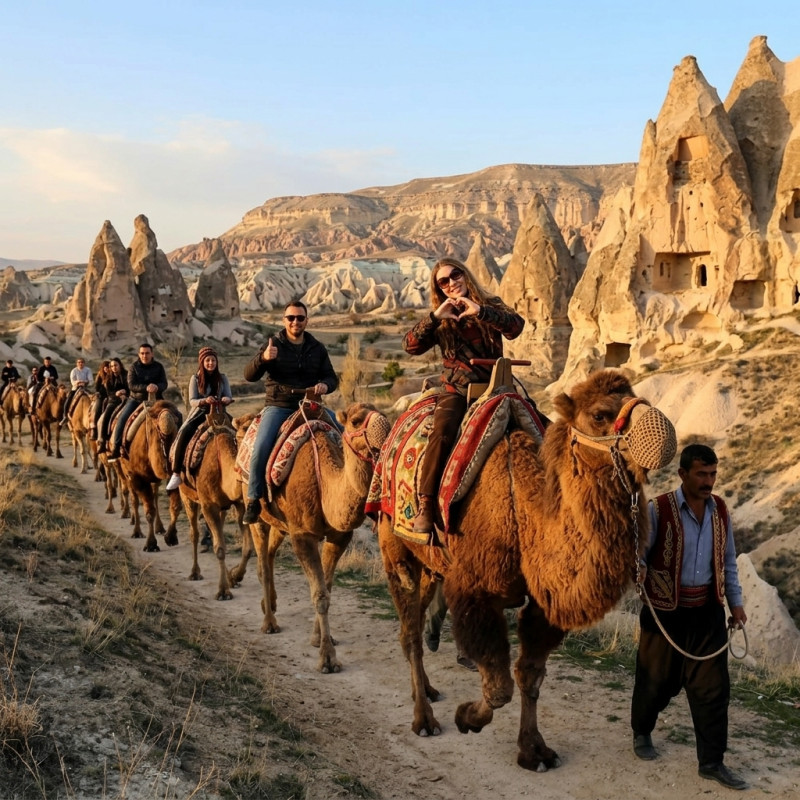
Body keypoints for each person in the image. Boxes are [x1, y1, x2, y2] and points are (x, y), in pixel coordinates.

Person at [631, 444, 748, 791]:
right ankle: (642, 731)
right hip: (665, 614)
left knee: (713, 690)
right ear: (683, 474)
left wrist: (736, 604)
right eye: (701, 474)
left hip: (708, 613)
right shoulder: (658, 509)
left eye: (712, 474)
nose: (708, 481)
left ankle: (711, 762)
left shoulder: (721, 511)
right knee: (655, 681)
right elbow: (640, 554)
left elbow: (728, 562)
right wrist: (637, 570)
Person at [403, 257, 524, 533]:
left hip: (497, 384)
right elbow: (410, 346)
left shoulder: (490, 304)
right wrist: (435, 318)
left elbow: (516, 327)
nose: (451, 283)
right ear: (439, 289)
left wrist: (480, 311)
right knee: (442, 432)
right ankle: (427, 503)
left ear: (464, 274)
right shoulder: (441, 317)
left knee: (542, 426)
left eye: (454, 275)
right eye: (442, 282)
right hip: (457, 389)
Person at [241, 299, 338, 524]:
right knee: (261, 447)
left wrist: (326, 385)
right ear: (284, 320)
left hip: (310, 404)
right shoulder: (273, 344)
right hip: (279, 406)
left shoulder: (317, 348)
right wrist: (263, 359)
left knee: (344, 435)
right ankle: (254, 499)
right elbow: (249, 375)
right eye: (291, 318)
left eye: (300, 318)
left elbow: (332, 377)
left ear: (306, 320)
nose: (295, 321)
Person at [166, 347, 233, 491]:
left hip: (220, 412)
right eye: (207, 360)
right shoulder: (195, 379)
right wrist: (204, 401)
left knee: (238, 430)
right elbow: (192, 401)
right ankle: (176, 473)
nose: (210, 363)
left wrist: (226, 399)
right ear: (202, 362)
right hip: (201, 412)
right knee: (184, 433)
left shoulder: (223, 378)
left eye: (213, 360)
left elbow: (229, 395)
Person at [107, 343, 168, 461]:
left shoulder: (159, 367)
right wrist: (146, 387)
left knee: (176, 415)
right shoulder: (133, 367)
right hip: (136, 399)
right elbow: (131, 385)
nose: (145, 355)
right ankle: (116, 447)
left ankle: (177, 450)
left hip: (157, 399)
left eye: (147, 353)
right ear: (139, 354)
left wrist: (157, 387)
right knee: (122, 419)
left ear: (152, 354)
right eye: (142, 353)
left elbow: (164, 383)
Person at [95, 358, 129, 449]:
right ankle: (103, 440)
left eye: (115, 365)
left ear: (120, 365)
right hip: (114, 401)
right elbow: (109, 392)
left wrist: (125, 391)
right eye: (112, 366)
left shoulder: (127, 375)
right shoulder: (109, 377)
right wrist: (116, 394)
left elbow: (131, 388)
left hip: (127, 399)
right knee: (106, 417)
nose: (114, 367)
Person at [61, 357, 94, 425]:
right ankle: (65, 416)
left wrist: (85, 382)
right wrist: (78, 382)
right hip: (75, 388)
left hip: (85, 388)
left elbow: (91, 381)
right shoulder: (74, 371)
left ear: (84, 363)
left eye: (82, 362)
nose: (80, 363)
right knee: (68, 400)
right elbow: (72, 381)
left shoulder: (88, 370)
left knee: (94, 399)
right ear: (76, 363)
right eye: (79, 362)